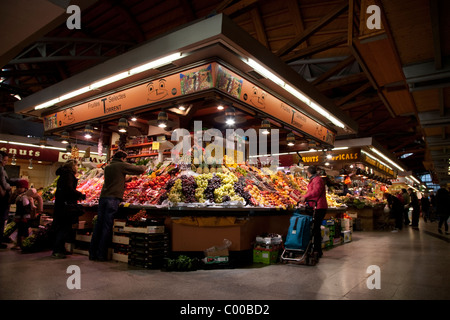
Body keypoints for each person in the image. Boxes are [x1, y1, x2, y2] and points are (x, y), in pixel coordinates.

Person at [89, 151, 146, 261]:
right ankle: (101, 254)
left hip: (103, 197)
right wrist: (145, 166)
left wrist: (128, 179)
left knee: (98, 225)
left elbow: (115, 179)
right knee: (107, 226)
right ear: (123, 158)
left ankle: (92, 253)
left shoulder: (108, 167)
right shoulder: (121, 165)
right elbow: (140, 169)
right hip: (113, 198)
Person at [52, 159, 86, 259]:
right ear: (72, 166)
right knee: (64, 227)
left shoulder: (64, 174)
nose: (77, 167)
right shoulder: (68, 175)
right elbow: (69, 189)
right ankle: (58, 250)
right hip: (65, 205)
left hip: (61, 204)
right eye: (76, 165)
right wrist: (80, 195)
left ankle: (60, 249)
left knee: (62, 227)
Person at [299, 165, 327, 259]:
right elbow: (313, 191)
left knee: (315, 229)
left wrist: (305, 197)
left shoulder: (317, 180)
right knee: (315, 228)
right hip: (315, 206)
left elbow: (316, 191)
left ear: (308, 173)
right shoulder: (315, 179)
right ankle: (316, 249)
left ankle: (317, 250)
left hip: (319, 206)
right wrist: (304, 197)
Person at [11, 179, 43, 250]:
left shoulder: (29, 195)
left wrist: (39, 210)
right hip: (19, 216)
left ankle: (24, 244)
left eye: (20, 187)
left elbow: (38, 199)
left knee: (24, 230)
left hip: (25, 216)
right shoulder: (19, 195)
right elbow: (12, 201)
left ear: (25, 188)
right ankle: (18, 243)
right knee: (19, 230)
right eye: (17, 187)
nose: (18, 189)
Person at [0, 151, 19, 249]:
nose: (5, 162)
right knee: (2, 219)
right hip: (2, 199)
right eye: (5, 160)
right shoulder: (0, 169)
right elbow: (4, 183)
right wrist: (9, 188)